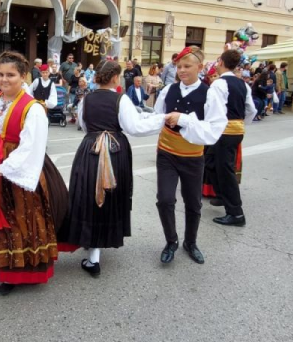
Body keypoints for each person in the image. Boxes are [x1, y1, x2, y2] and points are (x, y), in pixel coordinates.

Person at [0, 50, 68, 295]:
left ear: (23, 76)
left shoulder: (32, 109)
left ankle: (24, 269)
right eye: (0, 74)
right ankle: (5, 265)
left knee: (21, 217)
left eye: (10, 74)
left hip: (19, 170)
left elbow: (30, 148)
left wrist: (0, 170)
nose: (3, 79)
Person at [63, 60, 166, 277]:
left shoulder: (86, 99)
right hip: (114, 151)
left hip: (89, 150)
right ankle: (97, 249)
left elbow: (83, 125)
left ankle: (92, 249)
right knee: (108, 195)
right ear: (113, 78)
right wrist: (162, 120)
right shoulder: (121, 99)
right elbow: (134, 127)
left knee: (89, 195)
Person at [153, 46, 228, 264]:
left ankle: (191, 242)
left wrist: (184, 119)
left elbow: (214, 130)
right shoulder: (168, 90)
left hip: (193, 156)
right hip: (166, 152)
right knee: (165, 199)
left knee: (193, 202)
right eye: (179, 67)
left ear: (200, 67)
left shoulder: (210, 94)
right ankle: (171, 241)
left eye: (187, 66)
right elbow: (158, 117)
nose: (182, 71)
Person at [204, 50, 255, 227]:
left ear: (222, 63)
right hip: (236, 130)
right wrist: (241, 123)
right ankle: (221, 195)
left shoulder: (219, 85)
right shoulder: (244, 85)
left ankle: (236, 213)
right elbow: (251, 110)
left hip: (222, 131)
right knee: (210, 161)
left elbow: (212, 109)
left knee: (225, 170)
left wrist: (208, 127)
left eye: (218, 61)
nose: (216, 64)